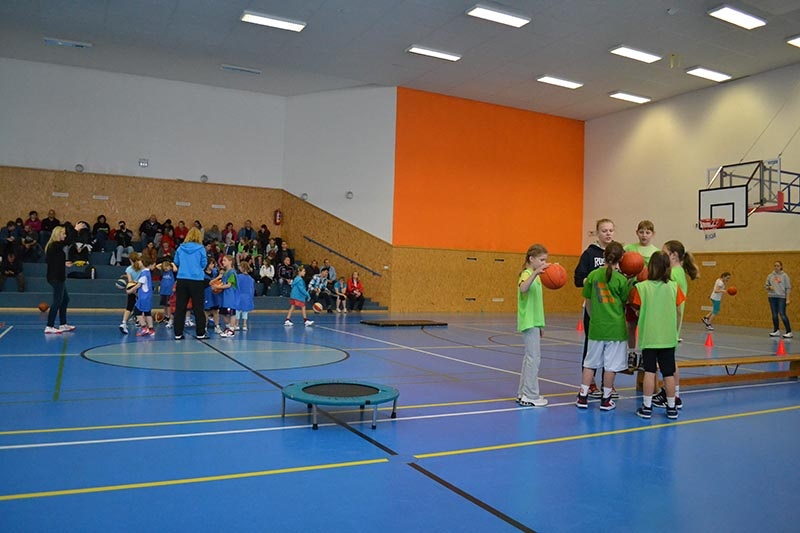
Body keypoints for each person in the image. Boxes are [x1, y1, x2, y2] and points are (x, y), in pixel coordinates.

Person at [630, 251, 685, 420]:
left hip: (650, 337)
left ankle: (647, 407)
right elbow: (678, 311)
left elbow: (636, 309)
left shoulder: (641, 287)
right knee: (668, 373)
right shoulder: (674, 287)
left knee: (650, 372)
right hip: (668, 338)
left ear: (650, 267)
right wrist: (675, 330)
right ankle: (671, 407)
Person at [576, 242, 630, 411]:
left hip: (596, 327)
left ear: (604, 255)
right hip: (615, 329)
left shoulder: (592, 276)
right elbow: (625, 303)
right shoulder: (621, 280)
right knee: (610, 366)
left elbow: (588, 302)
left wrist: (594, 318)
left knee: (590, 363)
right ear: (621, 258)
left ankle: (582, 396)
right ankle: (606, 399)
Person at [652, 240, 699, 410]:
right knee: (669, 360)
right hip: (670, 321)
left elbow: (671, 300)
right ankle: (671, 393)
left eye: (664, 252)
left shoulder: (674, 273)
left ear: (673, 255)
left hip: (669, 322)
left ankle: (673, 396)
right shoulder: (677, 272)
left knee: (669, 362)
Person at [573, 218, 615, 398]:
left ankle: (608, 384)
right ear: (597, 233)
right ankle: (589, 383)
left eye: (611, 230)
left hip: (612, 309)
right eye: (604, 230)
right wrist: (594, 281)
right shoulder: (589, 254)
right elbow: (578, 279)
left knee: (611, 347)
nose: (608, 233)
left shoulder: (618, 253)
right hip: (594, 307)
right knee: (592, 346)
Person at [516, 244, 550, 407]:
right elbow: (523, 288)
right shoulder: (527, 274)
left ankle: (523, 393)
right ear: (531, 259)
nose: (544, 263)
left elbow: (537, 303)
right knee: (533, 359)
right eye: (541, 260)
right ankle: (530, 395)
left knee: (529, 359)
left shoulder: (537, 277)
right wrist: (535, 273)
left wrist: (541, 324)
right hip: (528, 322)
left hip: (535, 322)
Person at [623, 220, 659, 369]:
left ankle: (645, 354)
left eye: (647, 232)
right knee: (631, 325)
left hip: (648, 295)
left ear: (653, 234)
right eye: (641, 232)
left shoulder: (656, 252)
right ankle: (631, 353)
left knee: (646, 326)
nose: (644, 235)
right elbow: (621, 268)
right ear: (637, 233)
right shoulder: (629, 249)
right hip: (632, 293)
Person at [43, 222, 87, 334]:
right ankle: (49, 326)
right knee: (57, 301)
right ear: (58, 234)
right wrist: (75, 230)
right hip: (55, 277)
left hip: (59, 276)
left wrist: (63, 263)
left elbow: (53, 261)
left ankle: (63, 324)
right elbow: (68, 241)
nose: (65, 235)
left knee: (65, 300)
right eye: (63, 233)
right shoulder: (54, 245)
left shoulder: (55, 247)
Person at [172, 227, 208, 340]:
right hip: (197, 280)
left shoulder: (181, 248)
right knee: (198, 308)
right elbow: (203, 264)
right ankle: (200, 333)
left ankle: (178, 333)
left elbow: (176, 262)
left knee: (180, 307)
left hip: (182, 279)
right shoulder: (201, 248)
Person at [128, 258, 156, 337]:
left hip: (143, 297)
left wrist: (130, 291)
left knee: (137, 311)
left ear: (143, 264)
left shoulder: (144, 273)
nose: (138, 263)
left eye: (139, 262)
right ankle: (151, 329)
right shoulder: (147, 272)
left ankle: (144, 328)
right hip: (147, 296)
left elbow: (138, 285)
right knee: (147, 313)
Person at [212, 255, 238, 337]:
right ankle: (228, 327)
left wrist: (218, 287)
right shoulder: (225, 273)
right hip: (223, 297)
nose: (223, 262)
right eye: (222, 260)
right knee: (223, 313)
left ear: (230, 262)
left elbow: (229, 285)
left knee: (231, 313)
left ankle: (231, 329)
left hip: (230, 296)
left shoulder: (232, 273)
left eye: (225, 260)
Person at [766, 261, 792, 338]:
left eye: (778, 266)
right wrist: (769, 287)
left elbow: (788, 288)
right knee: (774, 314)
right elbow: (766, 285)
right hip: (772, 297)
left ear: (781, 267)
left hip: (781, 297)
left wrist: (787, 299)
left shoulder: (784, 276)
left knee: (782, 314)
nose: (776, 267)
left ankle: (789, 331)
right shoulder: (770, 276)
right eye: (775, 266)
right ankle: (776, 330)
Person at [119, 252, 143, 334]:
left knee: (129, 307)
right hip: (140, 289)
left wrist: (132, 289)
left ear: (130, 260)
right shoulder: (141, 267)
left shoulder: (128, 269)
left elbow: (130, 281)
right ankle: (140, 322)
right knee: (141, 306)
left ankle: (123, 323)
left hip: (132, 288)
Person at [236, 261, 256, 331]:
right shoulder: (251, 279)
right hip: (247, 296)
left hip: (239, 295)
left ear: (242, 268)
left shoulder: (238, 277)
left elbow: (236, 287)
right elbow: (252, 289)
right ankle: (245, 324)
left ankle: (237, 324)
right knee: (245, 310)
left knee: (237, 310)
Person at [159, 260, 176, 328]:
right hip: (163, 291)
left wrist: (172, 264)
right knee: (164, 305)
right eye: (164, 267)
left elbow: (175, 269)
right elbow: (157, 266)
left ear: (170, 267)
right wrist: (163, 265)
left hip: (170, 292)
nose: (166, 268)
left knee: (169, 305)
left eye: (167, 266)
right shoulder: (163, 272)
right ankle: (166, 316)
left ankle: (169, 317)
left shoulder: (172, 272)